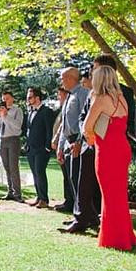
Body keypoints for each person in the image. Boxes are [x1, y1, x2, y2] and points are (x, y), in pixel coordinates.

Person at [83, 65, 136, 250]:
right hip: (122, 148)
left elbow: (87, 126)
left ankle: (115, 239)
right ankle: (125, 235)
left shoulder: (100, 99)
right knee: (119, 194)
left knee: (109, 195)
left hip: (107, 150)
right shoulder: (122, 98)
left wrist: (90, 137)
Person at [56, 67, 90, 226]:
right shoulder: (69, 96)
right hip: (68, 142)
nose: (61, 81)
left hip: (78, 143)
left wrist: (79, 142)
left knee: (79, 182)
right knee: (72, 180)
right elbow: (65, 125)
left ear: (70, 78)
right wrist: (60, 147)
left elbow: (85, 121)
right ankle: (79, 215)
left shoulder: (83, 93)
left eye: (63, 78)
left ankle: (85, 217)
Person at [22, 89, 55, 208]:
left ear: (37, 98)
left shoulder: (46, 111)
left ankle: (44, 199)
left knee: (40, 172)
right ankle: (39, 196)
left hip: (42, 148)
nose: (28, 100)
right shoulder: (30, 111)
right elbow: (28, 129)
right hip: (31, 148)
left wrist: (47, 147)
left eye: (30, 97)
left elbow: (49, 130)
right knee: (35, 173)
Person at [0, 91, 25, 202]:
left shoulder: (17, 110)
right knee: (6, 167)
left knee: (13, 167)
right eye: (3, 99)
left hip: (13, 139)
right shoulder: (1, 111)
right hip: (2, 140)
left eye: (7, 98)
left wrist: (6, 116)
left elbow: (17, 126)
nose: (5, 101)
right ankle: (10, 192)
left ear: (12, 99)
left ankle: (17, 194)